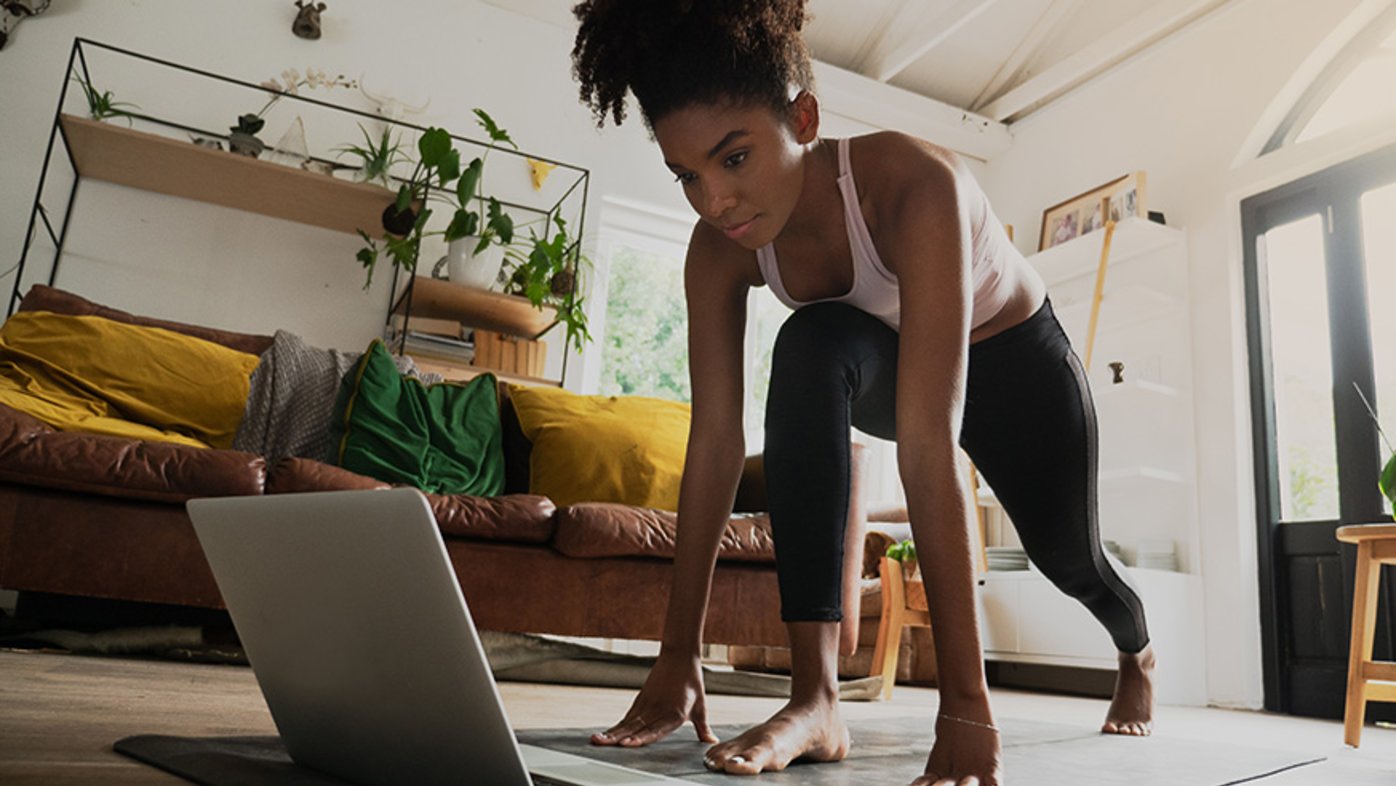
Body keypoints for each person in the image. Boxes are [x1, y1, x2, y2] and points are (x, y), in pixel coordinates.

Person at [569, 2, 1155, 784]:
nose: (716, 202)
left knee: (1070, 560)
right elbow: (712, 443)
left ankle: (1136, 649)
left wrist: (967, 705)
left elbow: (926, 444)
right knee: (809, 343)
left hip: (1015, 365)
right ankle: (816, 699)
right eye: (688, 176)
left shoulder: (914, 184)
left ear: (802, 118)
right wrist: (677, 657)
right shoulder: (719, 252)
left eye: (734, 159)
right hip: (888, 363)